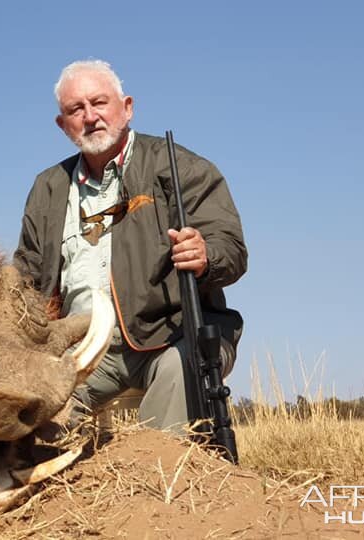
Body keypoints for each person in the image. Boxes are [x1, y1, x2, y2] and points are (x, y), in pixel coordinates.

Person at [14, 59, 247, 434]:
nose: (90, 117)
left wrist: (206, 256)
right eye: (76, 109)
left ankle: (162, 479)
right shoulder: (48, 187)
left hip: (171, 338)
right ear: (63, 124)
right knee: (32, 428)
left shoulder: (181, 166)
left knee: (174, 390)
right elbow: (25, 275)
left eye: (99, 102)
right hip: (82, 348)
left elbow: (231, 248)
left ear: (127, 107)